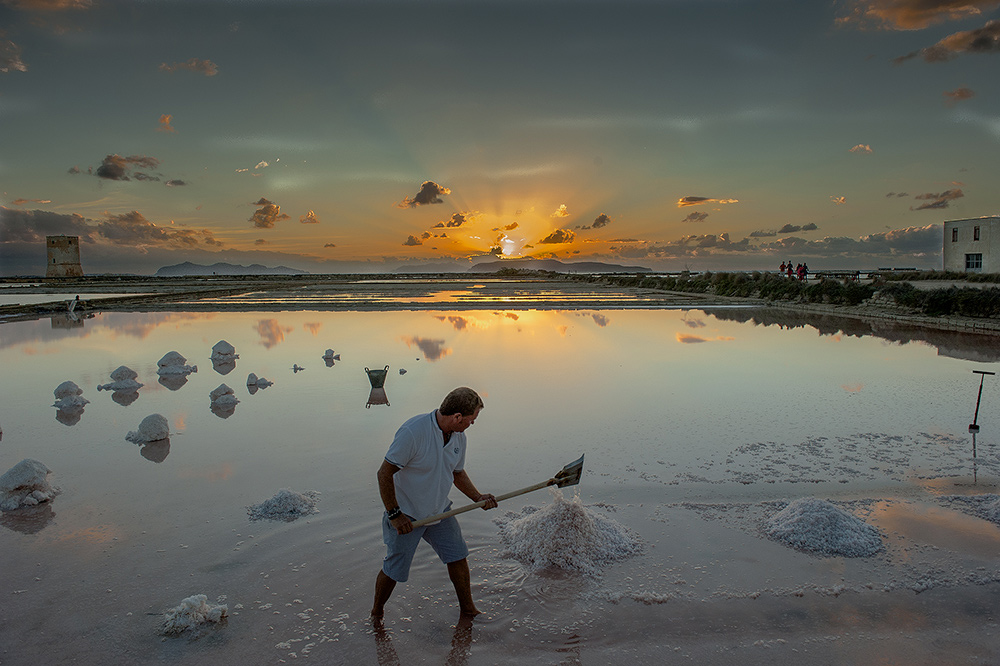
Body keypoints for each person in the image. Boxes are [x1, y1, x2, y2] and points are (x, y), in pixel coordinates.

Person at [371, 387, 497, 620]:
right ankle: (376, 613)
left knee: (458, 556)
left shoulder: (459, 437)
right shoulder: (413, 432)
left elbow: (457, 473)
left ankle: (469, 610)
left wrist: (477, 497)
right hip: (407, 514)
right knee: (394, 569)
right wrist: (395, 515)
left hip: (440, 511)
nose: (472, 424)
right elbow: (384, 473)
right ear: (457, 417)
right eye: (471, 420)